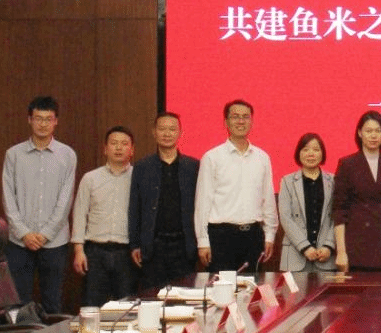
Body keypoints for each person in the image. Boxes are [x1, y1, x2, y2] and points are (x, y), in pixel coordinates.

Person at [2, 95, 77, 315]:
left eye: (48, 119)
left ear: (56, 121)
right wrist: (24, 233)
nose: (43, 124)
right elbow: (8, 197)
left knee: (52, 303)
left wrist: (45, 234)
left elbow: (66, 200)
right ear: (29, 120)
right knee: (19, 304)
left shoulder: (67, 155)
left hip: (55, 242)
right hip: (19, 241)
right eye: (38, 118)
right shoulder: (13, 154)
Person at [194, 99, 276, 274]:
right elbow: (203, 203)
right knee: (222, 289)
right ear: (226, 122)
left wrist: (270, 235)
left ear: (251, 121)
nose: (240, 121)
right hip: (221, 237)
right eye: (235, 116)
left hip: (253, 236)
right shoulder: (212, 157)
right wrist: (203, 241)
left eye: (245, 117)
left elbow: (268, 199)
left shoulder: (262, 158)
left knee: (252, 287)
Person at [128, 112, 200, 289]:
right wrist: (135, 244)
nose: (167, 133)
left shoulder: (193, 167)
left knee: (184, 295)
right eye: (162, 129)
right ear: (154, 132)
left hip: (184, 246)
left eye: (172, 129)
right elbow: (134, 207)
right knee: (152, 297)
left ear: (180, 133)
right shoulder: (142, 167)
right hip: (153, 246)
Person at [71, 126, 137, 306]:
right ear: (105, 149)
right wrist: (78, 251)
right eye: (114, 143)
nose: (118, 148)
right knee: (92, 306)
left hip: (126, 253)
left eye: (124, 144)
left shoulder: (138, 178)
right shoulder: (90, 178)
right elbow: (80, 214)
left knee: (126, 307)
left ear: (132, 150)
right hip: (95, 252)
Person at [332, 111, 381, 272]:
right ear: (359, 133)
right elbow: (339, 210)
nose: (373, 135)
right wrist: (341, 252)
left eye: (378, 131)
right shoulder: (347, 164)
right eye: (368, 131)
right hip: (358, 246)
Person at [278, 133, 336, 272]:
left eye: (316, 149)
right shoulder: (287, 181)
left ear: (322, 153)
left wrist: (328, 246)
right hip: (295, 256)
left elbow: (338, 217)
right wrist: (304, 246)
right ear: (298, 153)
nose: (311, 154)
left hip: (325, 256)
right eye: (305, 149)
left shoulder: (334, 181)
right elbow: (285, 217)